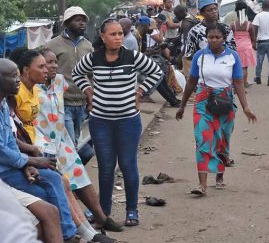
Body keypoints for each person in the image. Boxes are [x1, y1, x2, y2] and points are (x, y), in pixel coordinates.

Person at [72, 18, 163, 227]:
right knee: (105, 167)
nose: (118, 37)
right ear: (103, 37)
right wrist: (88, 92)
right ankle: (103, 211)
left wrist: (140, 92)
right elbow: (77, 73)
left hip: (128, 122)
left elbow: (156, 72)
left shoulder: (132, 56)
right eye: (113, 34)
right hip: (100, 122)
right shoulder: (93, 58)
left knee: (128, 165)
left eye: (120, 33)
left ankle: (132, 210)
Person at [36, 49, 124, 233]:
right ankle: (79, 227)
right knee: (63, 184)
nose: (52, 66)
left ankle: (101, 217)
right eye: (46, 63)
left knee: (80, 175)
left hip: (62, 139)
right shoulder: (31, 89)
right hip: (42, 142)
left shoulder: (59, 81)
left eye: (54, 62)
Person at [0, 59, 79, 242]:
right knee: (48, 190)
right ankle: (68, 234)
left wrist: (25, 165)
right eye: (13, 76)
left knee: (53, 179)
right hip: (3, 172)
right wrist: (31, 161)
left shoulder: (3, 104)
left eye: (18, 75)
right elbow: (2, 151)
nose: (18, 79)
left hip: (12, 167)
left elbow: (10, 140)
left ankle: (71, 232)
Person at [175, 25, 257, 196]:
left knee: (222, 140)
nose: (213, 40)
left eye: (217, 37)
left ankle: (220, 174)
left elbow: (238, 83)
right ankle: (202, 185)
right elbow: (191, 81)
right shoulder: (200, 56)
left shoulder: (233, 56)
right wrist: (182, 105)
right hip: (203, 101)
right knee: (202, 139)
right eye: (210, 37)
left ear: (224, 38)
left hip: (225, 101)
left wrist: (246, 107)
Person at [47, 6, 93, 146]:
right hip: (62, 102)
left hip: (82, 102)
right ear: (67, 23)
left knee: (76, 141)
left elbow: (91, 75)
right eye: (77, 20)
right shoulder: (52, 45)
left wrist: (91, 97)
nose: (82, 23)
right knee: (70, 143)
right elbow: (45, 73)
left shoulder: (88, 46)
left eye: (83, 20)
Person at [183, 0, 236, 78]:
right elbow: (189, 56)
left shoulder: (226, 29)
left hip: (224, 72)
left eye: (215, 9)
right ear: (201, 13)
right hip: (203, 74)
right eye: (210, 10)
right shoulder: (195, 32)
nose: (214, 12)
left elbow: (233, 50)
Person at [230, 0, 256, 88]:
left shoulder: (233, 25)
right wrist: (251, 45)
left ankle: (235, 84)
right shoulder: (249, 25)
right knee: (244, 67)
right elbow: (253, 38)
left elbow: (231, 37)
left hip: (236, 47)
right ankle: (244, 83)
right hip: (246, 47)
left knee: (235, 67)